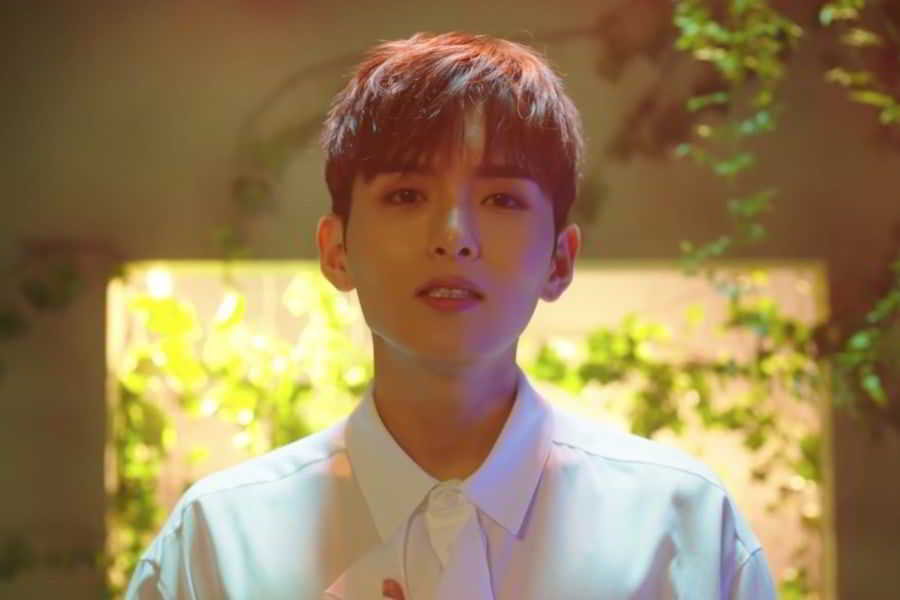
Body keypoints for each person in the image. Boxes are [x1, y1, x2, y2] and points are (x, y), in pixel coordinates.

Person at [124, 31, 777, 599]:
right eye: (407, 194)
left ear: (560, 260)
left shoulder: (680, 526)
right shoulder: (221, 538)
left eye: (502, 199)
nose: (454, 236)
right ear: (336, 250)